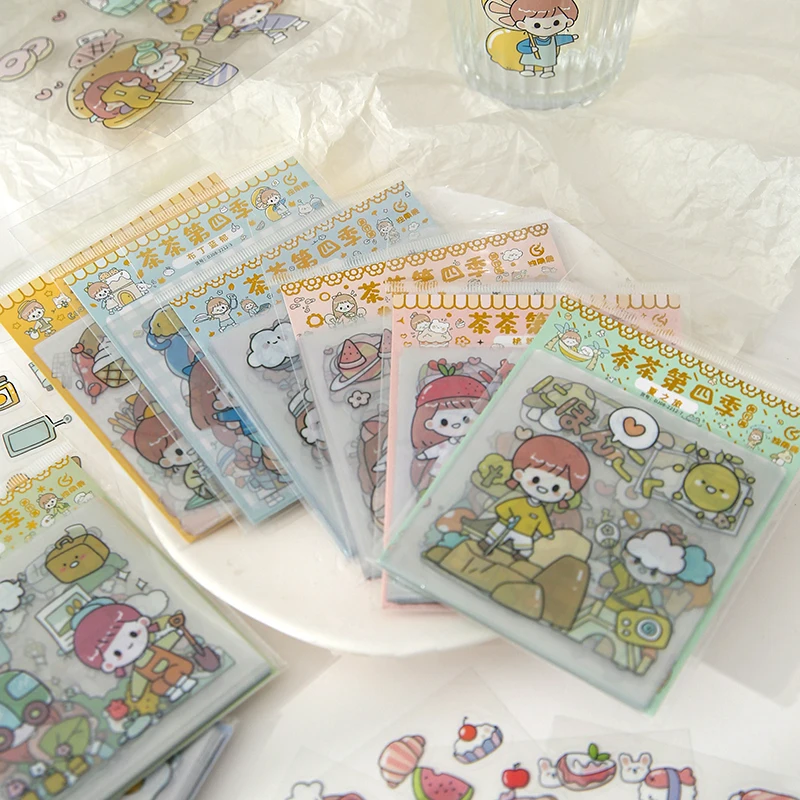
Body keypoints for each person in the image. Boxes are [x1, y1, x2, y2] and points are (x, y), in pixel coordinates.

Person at [484, 434, 590, 558]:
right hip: (506, 524)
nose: (543, 488)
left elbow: (543, 522)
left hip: (524, 532)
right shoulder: (518, 501)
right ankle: (487, 543)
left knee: (525, 546)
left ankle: (521, 556)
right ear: (519, 475)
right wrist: (507, 516)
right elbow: (502, 508)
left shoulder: (540, 511)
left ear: (567, 494)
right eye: (535, 480)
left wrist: (548, 533)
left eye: (555, 488)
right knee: (496, 532)